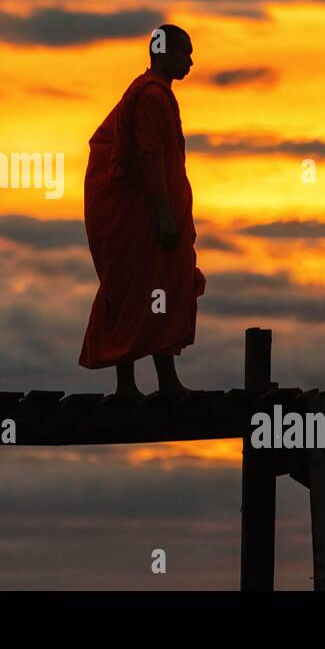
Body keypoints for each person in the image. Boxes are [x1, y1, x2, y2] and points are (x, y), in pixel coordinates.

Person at [78, 25, 206, 398]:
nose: (191, 61)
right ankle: (135, 385)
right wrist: (164, 216)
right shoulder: (151, 96)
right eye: (185, 53)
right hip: (146, 215)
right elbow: (150, 157)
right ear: (164, 54)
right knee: (141, 289)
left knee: (154, 288)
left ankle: (159, 382)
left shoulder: (153, 93)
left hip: (150, 210)